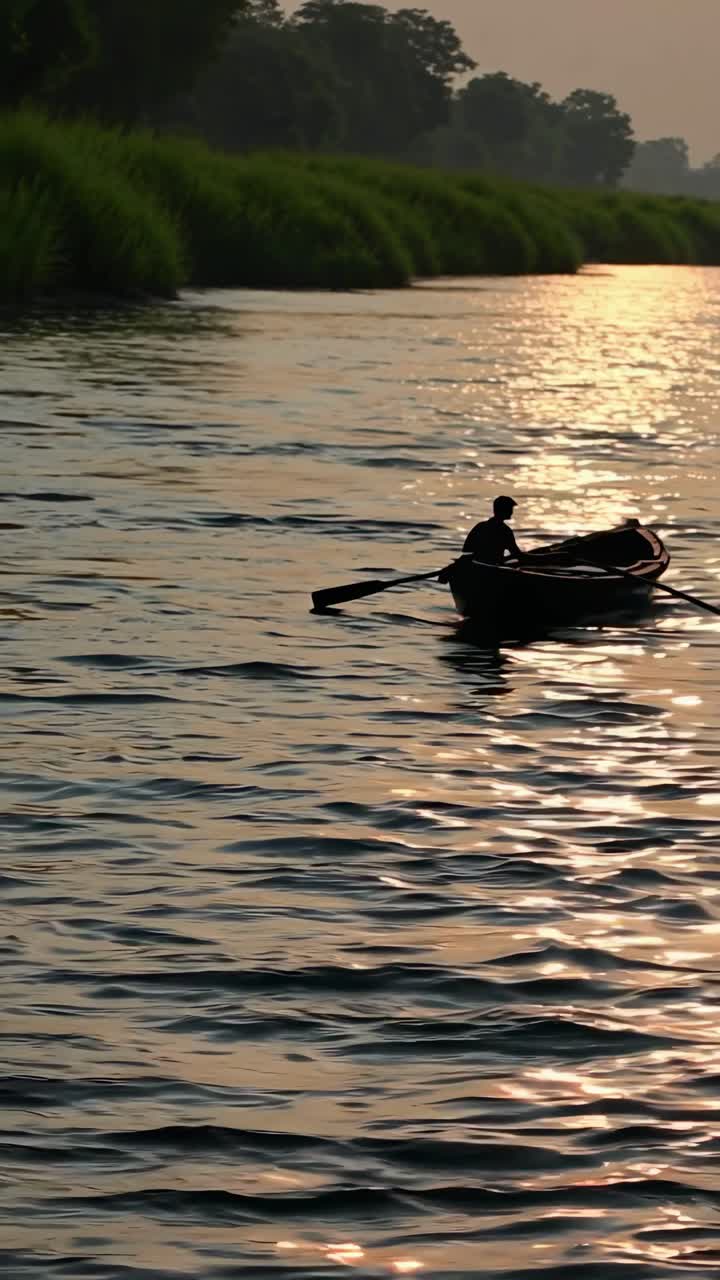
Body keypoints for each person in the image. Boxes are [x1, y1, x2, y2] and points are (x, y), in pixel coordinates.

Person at [463, 495, 524, 564]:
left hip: (479, 563)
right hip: (494, 566)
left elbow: (466, 549)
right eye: (510, 508)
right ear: (505, 510)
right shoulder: (505, 531)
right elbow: (517, 554)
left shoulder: (480, 526)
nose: (511, 512)